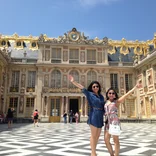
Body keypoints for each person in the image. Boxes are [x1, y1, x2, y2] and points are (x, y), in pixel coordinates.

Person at [69, 75, 105, 156]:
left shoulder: (101, 96)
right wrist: (73, 81)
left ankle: (94, 150)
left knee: (98, 136)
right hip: (94, 114)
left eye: (97, 86)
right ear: (91, 88)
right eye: (94, 86)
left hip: (100, 115)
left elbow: (104, 105)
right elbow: (82, 88)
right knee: (93, 135)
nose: (95, 87)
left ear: (99, 87)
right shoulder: (89, 94)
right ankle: (93, 153)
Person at [104, 84, 141, 156]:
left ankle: (116, 155)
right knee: (106, 140)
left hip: (114, 122)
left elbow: (126, 95)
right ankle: (112, 154)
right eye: (110, 93)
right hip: (107, 121)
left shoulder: (116, 102)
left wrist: (135, 87)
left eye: (113, 93)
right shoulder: (106, 102)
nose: (111, 94)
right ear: (107, 94)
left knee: (115, 140)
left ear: (115, 95)